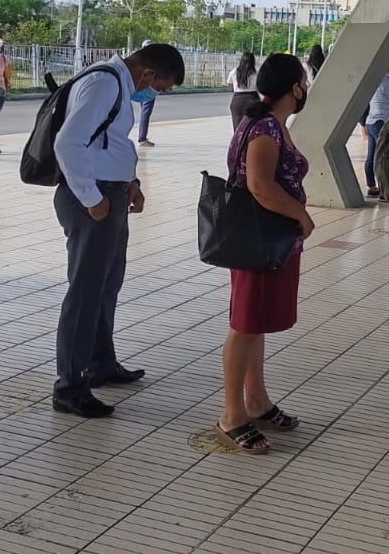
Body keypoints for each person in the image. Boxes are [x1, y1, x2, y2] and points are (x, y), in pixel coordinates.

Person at [51, 43, 185, 417]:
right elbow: (69, 142)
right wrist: (91, 198)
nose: (154, 95)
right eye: (159, 88)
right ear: (146, 74)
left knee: (107, 285)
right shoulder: (104, 84)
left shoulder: (118, 85)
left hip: (111, 193)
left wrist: (131, 180)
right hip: (90, 202)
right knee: (85, 292)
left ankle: (99, 363)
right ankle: (71, 385)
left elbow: (110, 144)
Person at [217, 54, 315, 454]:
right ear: (294, 88)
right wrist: (302, 217)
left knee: (255, 323)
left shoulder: (272, 125)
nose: (306, 90)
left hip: (271, 240)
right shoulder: (263, 130)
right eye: (303, 83)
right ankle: (231, 415)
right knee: (244, 325)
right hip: (257, 240)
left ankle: (256, 400)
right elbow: (259, 186)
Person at [364, 62, 389, 198]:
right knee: (384, 158)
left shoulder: (374, 81)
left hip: (371, 121)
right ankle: (385, 190)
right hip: (382, 122)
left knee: (371, 156)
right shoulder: (387, 83)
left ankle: (372, 186)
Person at [227, 52, 259, 130]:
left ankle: (238, 141)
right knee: (252, 127)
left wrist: (237, 87)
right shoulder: (255, 73)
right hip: (252, 99)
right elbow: (259, 86)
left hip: (237, 100)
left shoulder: (234, 71)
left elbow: (228, 83)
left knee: (237, 127)